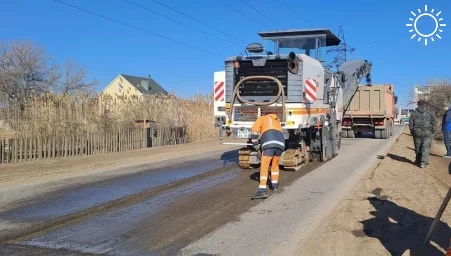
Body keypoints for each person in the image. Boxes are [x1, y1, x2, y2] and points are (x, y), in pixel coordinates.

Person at [250, 113, 285, 199]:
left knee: (264, 165)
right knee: (275, 165)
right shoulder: (276, 121)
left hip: (269, 143)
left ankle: (262, 190)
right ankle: (275, 185)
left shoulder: (262, 118)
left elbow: (254, 130)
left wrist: (256, 145)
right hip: (281, 144)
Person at [409, 100, 437, 168]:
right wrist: (433, 132)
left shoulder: (413, 113)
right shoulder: (430, 112)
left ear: (418, 105)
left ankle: (418, 161)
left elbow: (410, 124)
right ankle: (423, 163)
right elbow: (434, 123)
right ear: (425, 105)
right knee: (426, 147)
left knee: (418, 147)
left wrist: (412, 132)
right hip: (427, 132)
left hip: (417, 133)